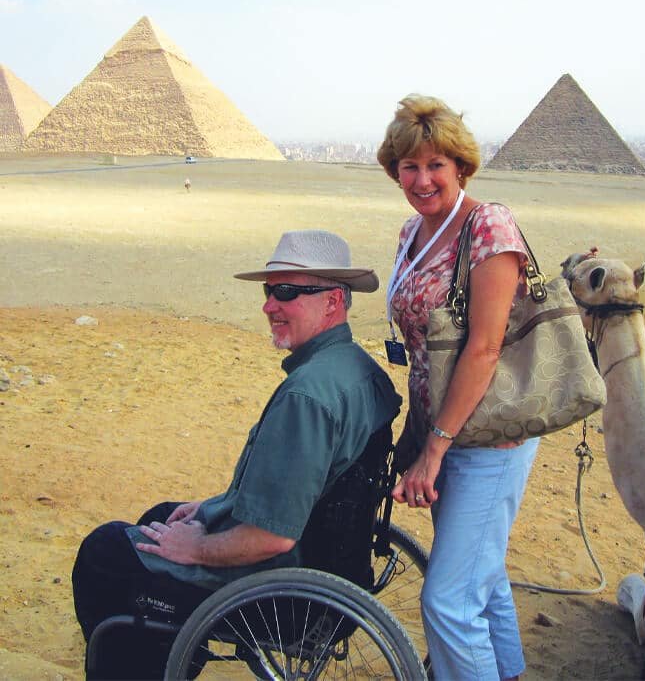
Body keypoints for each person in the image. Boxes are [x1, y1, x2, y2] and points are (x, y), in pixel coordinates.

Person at [71, 229, 402, 679]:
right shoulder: (360, 371)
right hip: (334, 563)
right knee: (163, 515)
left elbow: (273, 537)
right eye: (269, 291)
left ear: (333, 301)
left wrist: (200, 548)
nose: (269, 305)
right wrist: (212, 509)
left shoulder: (307, 396)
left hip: (284, 586)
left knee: (104, 553)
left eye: (287, 292)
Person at [377, 95, 539, 681]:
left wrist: (435, 450)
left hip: (486, 437)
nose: (421, 180)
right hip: (442, 427)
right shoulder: (411, 232)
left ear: (461, 168)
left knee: (447, 601)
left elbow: (485, 347)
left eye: (435, 165)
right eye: (409, 166)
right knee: (480, 574)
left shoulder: (487, 226)